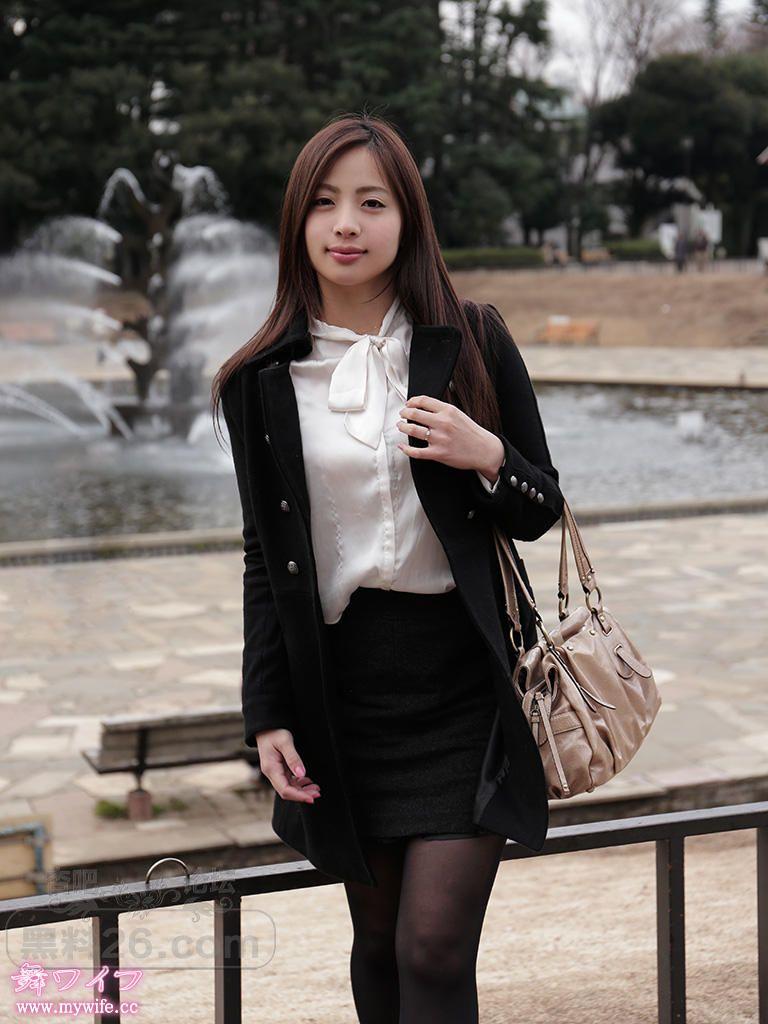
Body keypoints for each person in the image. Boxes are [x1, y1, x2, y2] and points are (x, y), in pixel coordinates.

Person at [211, 112, 565, 1022]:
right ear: (297, 220)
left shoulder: (471, 339)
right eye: (325, 203)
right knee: (376, 945)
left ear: (407, 218)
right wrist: (266, 713)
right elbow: (264, 558)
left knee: (431, 948)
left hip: (464, 684)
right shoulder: (259, 380)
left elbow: (541, 509)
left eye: (372, 202)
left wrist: (486, 454)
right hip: (343, 694)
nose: (346, 224)